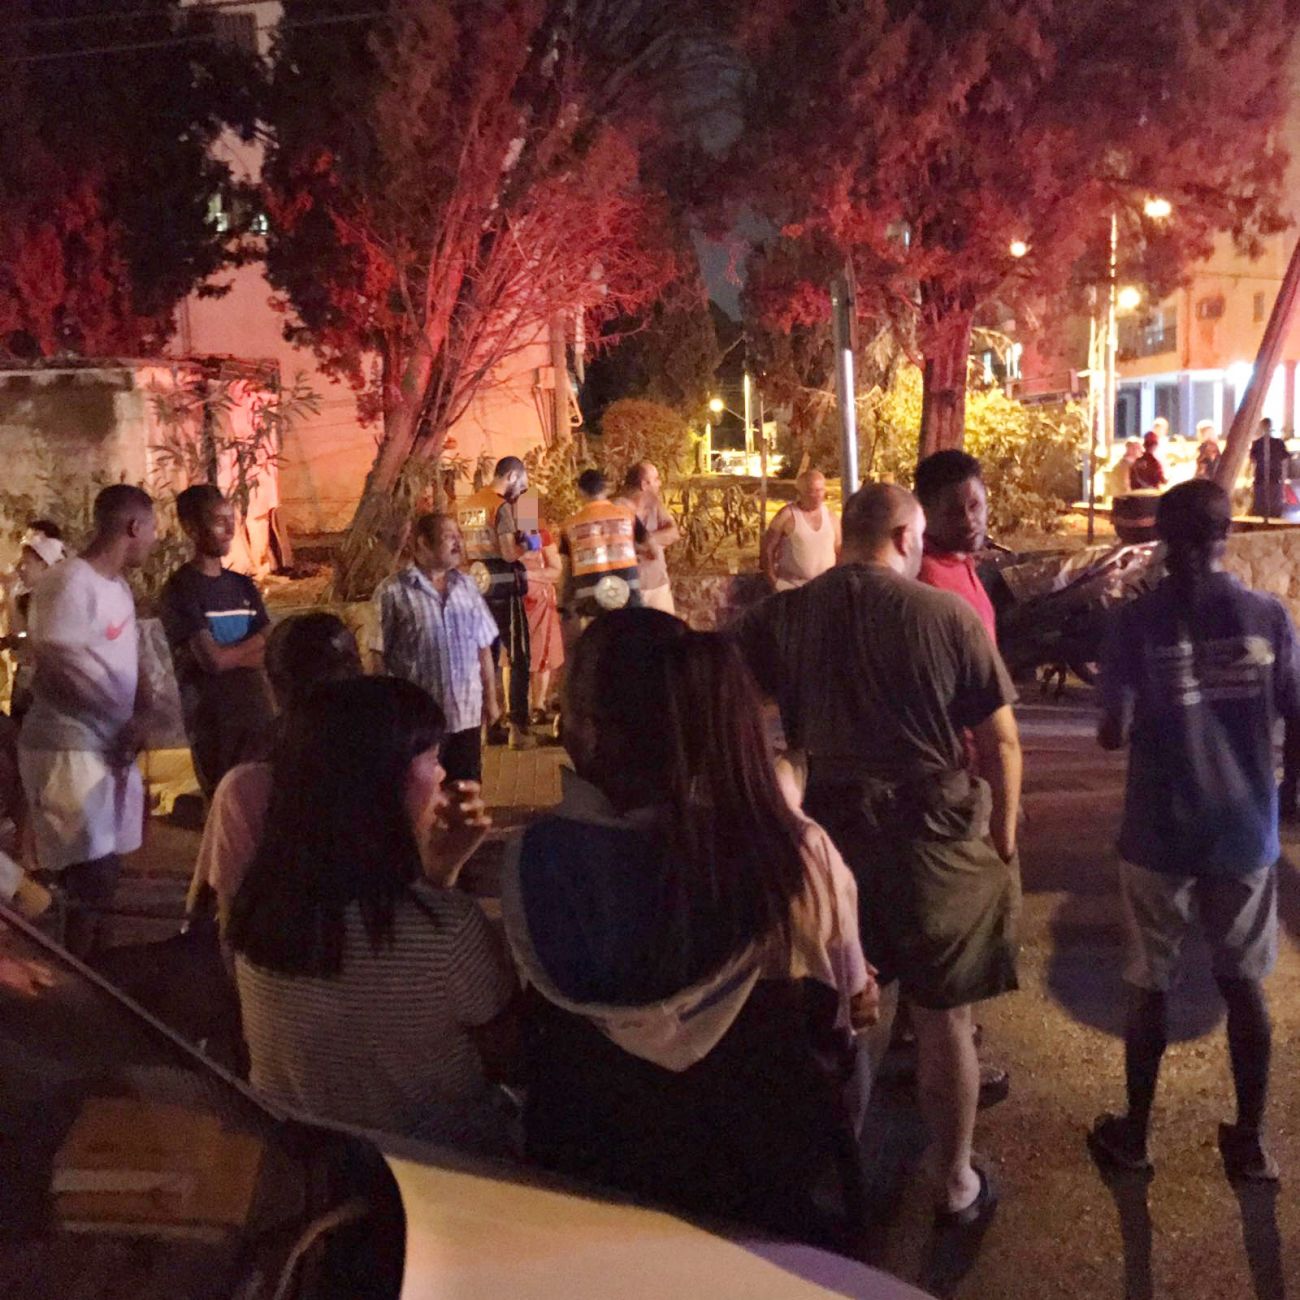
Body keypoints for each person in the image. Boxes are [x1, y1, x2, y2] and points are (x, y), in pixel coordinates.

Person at [501, 609, 878, 1243]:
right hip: (762, 1194)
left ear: (587, 733)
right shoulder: (794, 857)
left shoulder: (533, 861)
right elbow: (845, 1013)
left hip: (593, 1183)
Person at [735, 482, 1022, 1228]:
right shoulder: (947, 616)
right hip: (932, 842)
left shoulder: (781, 617)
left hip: (829, 846)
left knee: (841, 1011)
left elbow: (729, 706)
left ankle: (838, 1173)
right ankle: (955, 1182)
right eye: (919, 537)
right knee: (944, 1021)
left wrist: (776, 792)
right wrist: (1004, 840)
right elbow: (1001, 742)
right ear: (902, 536)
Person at [1089, 481, 1297, 1182]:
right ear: (1225, 534)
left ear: (1162, 541)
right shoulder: (1269, 617)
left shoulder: (1134, 621)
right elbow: (1297, 712)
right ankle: (1250, 1142)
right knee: (1244, 986)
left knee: (1150, 983)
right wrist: (1286, 793)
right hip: (1243, 832)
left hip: (1157, 833)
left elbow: (1112, 734)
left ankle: (1135, 1137)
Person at [228, 676, 516, 1149]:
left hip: (305, 1164)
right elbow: (509, 1058)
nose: (443, 775)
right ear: (382, 781)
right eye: (432, 758)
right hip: (433, 1173)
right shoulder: (447, 931)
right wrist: (442, 889)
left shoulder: (260, 908)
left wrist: (437, 876)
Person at [18, 484, 157, 957]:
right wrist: (115, 722)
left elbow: (131, 661)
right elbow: (54, 669)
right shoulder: (68, 584)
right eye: (152, 528)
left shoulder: (117, 588)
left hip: (110, 747)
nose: (154, 539)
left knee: (106, 873)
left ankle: (101, 971)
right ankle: (76, 976)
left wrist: (141, 715)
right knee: (87, 875)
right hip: (68, 748)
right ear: (134, 527)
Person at [188, 611, 363, 932]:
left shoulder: (246, 788)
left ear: (273, 686)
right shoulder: (400, 769)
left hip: (282, 953)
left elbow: (230, 919)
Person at [160, 485, 274, 799]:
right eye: (218, 521)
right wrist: (251, 648)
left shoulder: (243, 586)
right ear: (191, 528)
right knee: (223, 800)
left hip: (255, 710)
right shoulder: (182, 589)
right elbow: (211, 661)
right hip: (213, 719)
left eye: (231, 519)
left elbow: (269, 643)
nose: (229, 529)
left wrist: (229, 655)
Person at [372, 513, 501, 785]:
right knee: (426, 794)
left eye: (458, 536)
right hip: (420, 723)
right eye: (449, 537)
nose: (458, 543)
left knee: (467, 790)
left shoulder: (467, 587)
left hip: (466, 715)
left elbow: (483, 647)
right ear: (423, 543)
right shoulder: (393, 592)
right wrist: (388, 711)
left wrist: (491, 700)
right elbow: (377, 654)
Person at [456, 457, 535, 750]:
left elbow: (463, 553)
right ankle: (518, 730)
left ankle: (487, 728)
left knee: (484, 657)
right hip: (504, 589)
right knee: (519, 655)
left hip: (476, 589)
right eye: (522, 483)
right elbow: (508, 553)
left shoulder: (467, 506)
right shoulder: (499, 507)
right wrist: (529, 543)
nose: (523, 490)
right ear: (512, 475)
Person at [915, 451, 996, 645]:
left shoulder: (959, 559)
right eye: (953, 512)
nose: (968, 521)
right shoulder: (927, 580)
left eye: (974, 506)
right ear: (925, 513)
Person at [2, 521, 67, 727]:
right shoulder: (26, 597)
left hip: (46, 690)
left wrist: (9, 596)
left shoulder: (61, 599)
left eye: (25, 563)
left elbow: (23, 636)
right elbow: (18, 636)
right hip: (26, 682)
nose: (19, 569)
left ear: (45, 565)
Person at [561, 468, 643, 624]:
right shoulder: (627, 516)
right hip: (627, 591)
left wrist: (564, 602)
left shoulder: (570, 525)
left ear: (580, 491)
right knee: (632, 634)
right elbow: (650, 547)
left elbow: (567, 569)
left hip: (590, 595)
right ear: (606, 488)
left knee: (599, 635)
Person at [617, 461, 680, 615]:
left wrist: (647, 540)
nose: (660, 483)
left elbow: (674, 533)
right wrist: (649, 543)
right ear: (644, 484)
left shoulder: (654, 504)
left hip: (657, 584)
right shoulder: (616, 508)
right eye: (656, 479)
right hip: (629, 587)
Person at [761, 469, 840, 591]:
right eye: (812, 491)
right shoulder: (786, 515)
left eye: (820, 490)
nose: (817, 495)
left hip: (824, 589)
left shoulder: (831, 517)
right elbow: (768, 548)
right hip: (792, 588)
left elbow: (840, 549)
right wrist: (773, 581)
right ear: (800, 492)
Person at [521, 522, 564, 724]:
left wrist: (528, 576)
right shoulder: (504, 536)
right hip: (514, 601)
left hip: (540, 600)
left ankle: (537, 706)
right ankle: (516, 708)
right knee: (512, 656)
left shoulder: (540, 535)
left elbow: (556, 570)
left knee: (540, 654)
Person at [1250, 416, 1289, 518]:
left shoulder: (1258, 444)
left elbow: (1253, 463)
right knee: (1269, 505)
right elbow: (1284, 463)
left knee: (1265, 505)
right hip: (1268, 478)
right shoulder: (1277, 443)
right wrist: (1283, 479)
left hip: (1267, 478)